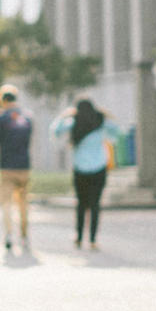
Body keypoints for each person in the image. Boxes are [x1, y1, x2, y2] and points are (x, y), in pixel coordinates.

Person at [52, 99, 112, 249]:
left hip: (80, 170)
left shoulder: (74, 123)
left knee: (81, 204)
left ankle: (78, 237)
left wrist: (64, 115)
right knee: (95, 205)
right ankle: (93, 239)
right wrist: (107, 115)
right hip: (99, 168)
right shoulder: (100, 122)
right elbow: (117, 131)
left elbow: (55, 131)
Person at [0, 85, 35, 252]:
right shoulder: (28, 116)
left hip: (7, 166)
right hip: (24, 166)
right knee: (23, 202)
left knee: (6, 202)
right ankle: (24, 235)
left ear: (3, 101)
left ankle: (9, 234)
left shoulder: (1, 117)